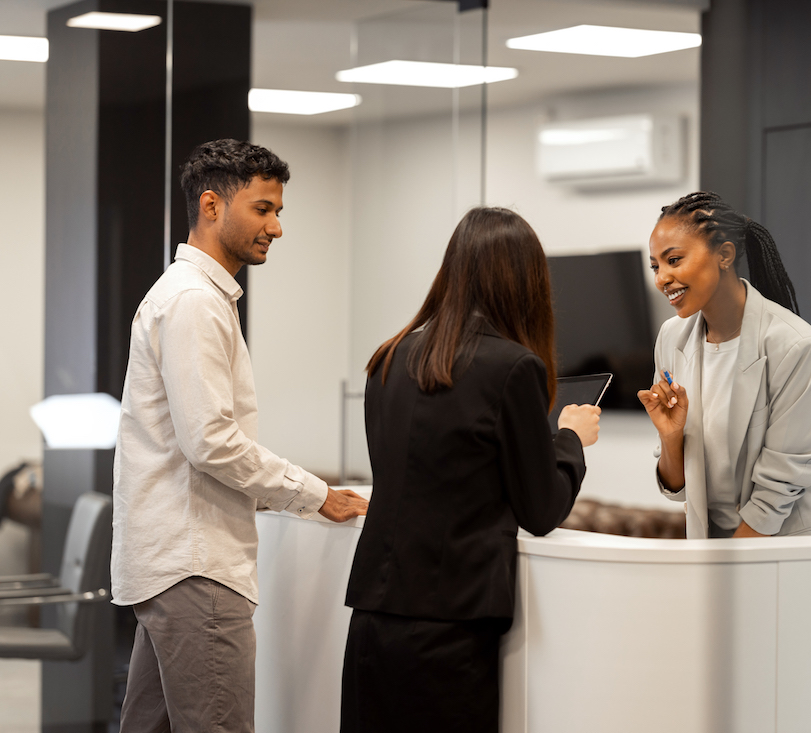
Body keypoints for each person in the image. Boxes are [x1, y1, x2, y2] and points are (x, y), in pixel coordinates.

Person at [112, 139, 369, 732]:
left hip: (172, 566)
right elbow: (211, 442)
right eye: (263, 209)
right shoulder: (194, 302)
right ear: (211, 205)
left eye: (279, 211)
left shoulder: (191, 296)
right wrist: (314, 494)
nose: (276, 227)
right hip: (195, 569)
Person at [341, 207, 600, 733]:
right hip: (451, 627)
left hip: (374, 615)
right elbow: (541, 508)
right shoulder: (513, 367)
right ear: (526, 282)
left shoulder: (388, 359)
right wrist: (570, 439)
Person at [638, 191, 811, 539]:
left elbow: (780, 487)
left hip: (803, 543)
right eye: (656, 266)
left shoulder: (794, 345)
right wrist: (670, 438)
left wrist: (728, 572)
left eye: (674, 260)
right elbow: (680, 488)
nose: (661, 278)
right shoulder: (672, 338)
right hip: (730, 546)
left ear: (724, 255)